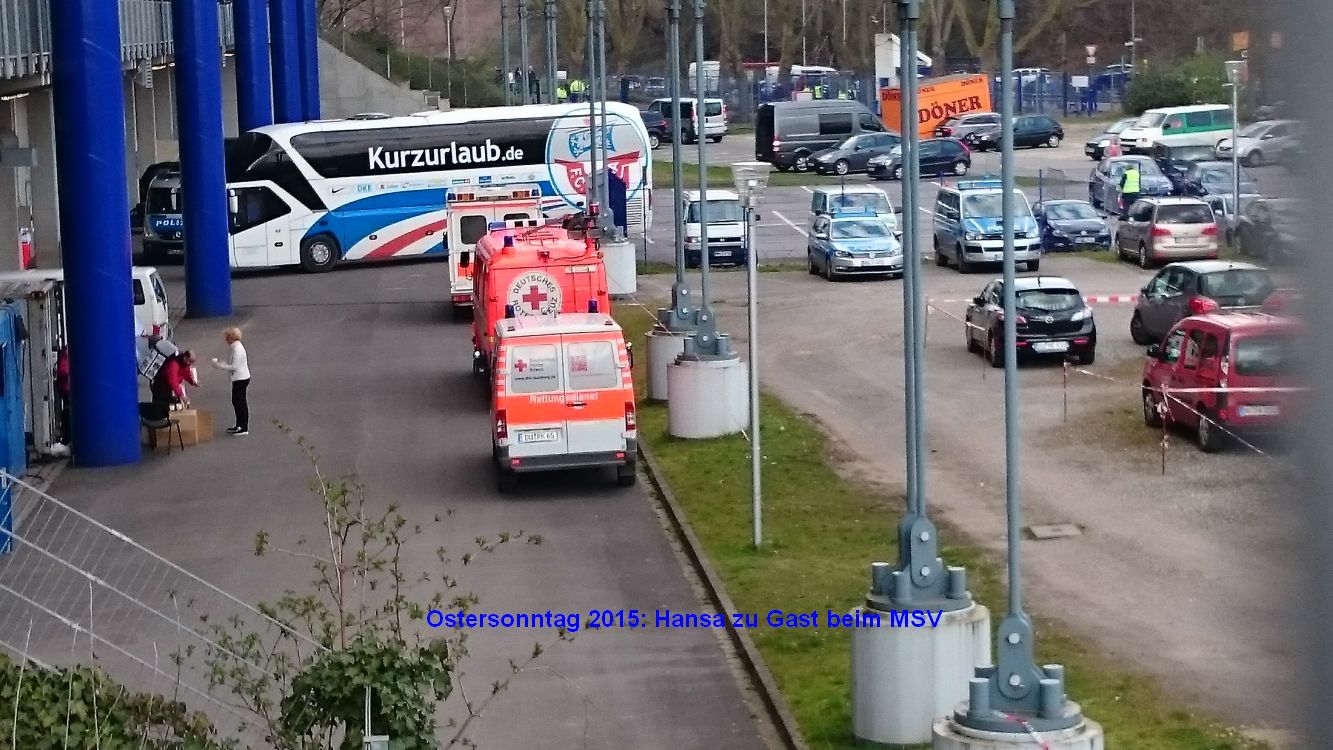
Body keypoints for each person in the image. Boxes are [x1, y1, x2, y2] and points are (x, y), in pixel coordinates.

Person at [211, 327, 250, 436]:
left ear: (231, 338)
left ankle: (243, 426)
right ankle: (239, 424)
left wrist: (220, 365)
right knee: (237, 401)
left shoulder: (237, 349)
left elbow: (235, 366)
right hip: (240, 377)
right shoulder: (235, 347)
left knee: (239, 402)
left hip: (241, 378)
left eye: (227, 337)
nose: (226, 340)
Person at [54, 346, 70, 444]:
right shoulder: (64, 357)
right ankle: (66, 436)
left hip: (64, 389)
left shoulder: (63, 357)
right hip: (65, 389)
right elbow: (63, 372)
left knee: (66, 410)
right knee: (67, 410)